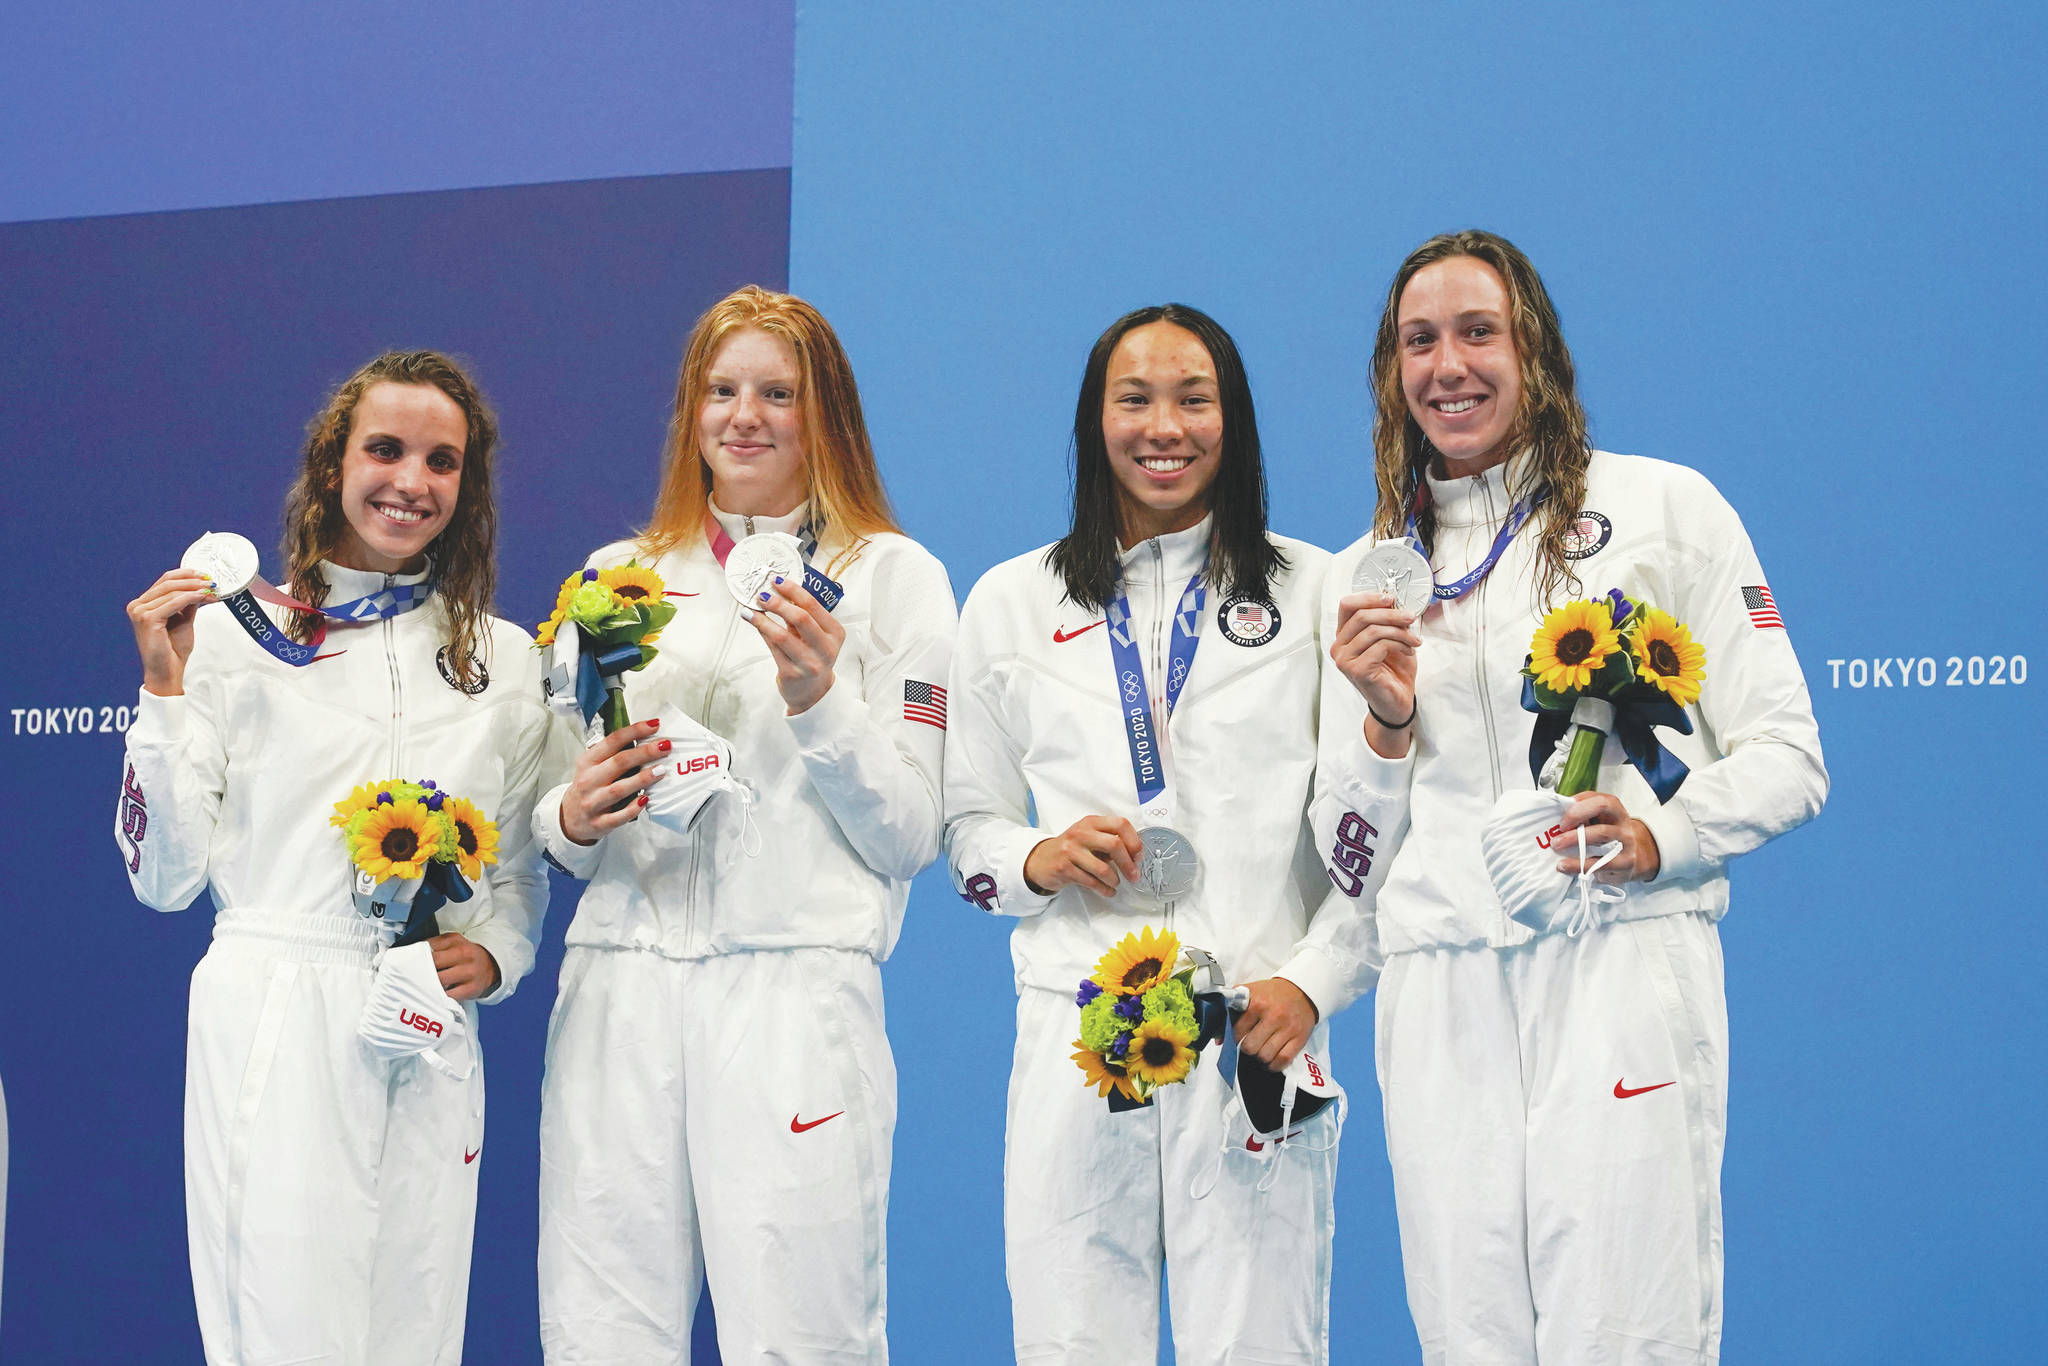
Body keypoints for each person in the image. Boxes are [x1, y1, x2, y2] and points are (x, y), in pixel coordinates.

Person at [1317, 230, 1829, 1364]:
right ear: (1389, 371)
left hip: (1616, 959)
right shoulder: (1360, 578)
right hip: (1436, 988)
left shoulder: (1662, 507)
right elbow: (1344, 850)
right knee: (1468, 1336)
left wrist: (1663, 834)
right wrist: (1385, 719)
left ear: (1531, 346)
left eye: (1475, 331)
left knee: (1624, 1329)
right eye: (1418, 340)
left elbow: (1790, 753)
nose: (1446, 365)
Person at [944, 304, 1375, 1364]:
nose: (1162, 426)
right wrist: (1033, 860)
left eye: (1192, 397)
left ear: (1234, 419)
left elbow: (1375, 839)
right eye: (1133, 398)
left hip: (1253, 1030)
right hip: (1078, 1036)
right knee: (1069, 1340)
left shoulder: (1317, 591)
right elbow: (965, 829)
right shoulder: (1008, 600)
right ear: (1095, 420)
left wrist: (1314, 981)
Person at [534, 285, 955, 1364]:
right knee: (600, 1331)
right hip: (620, 984)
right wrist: (574, 816)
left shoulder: (892, 579)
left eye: (778, 391)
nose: (744, 415)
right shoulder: (613, 578)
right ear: (689, 412)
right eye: (720, 391)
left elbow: (910, 831)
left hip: (791, 989)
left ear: (829, 415)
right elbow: (549, 805)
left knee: (802, 1334)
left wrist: (819, 696)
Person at [118, 351, 555, 1366]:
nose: (411, 480)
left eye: (441, 461)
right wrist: (162, 691)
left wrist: (495, 954)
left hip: (424, 1018)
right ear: (330, 467)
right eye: (386, 450)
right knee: (286, 1334)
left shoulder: (504, 657)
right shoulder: (232, 635)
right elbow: (163, 878)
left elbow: (520, 864)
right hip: (278, 997)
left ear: (466, 487)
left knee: (414, 1329)